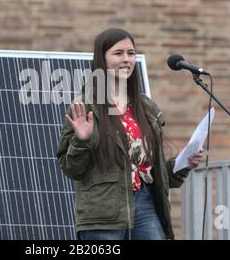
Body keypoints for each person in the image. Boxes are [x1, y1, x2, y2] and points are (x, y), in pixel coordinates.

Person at [57, 28, 204, 240]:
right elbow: (72, 169)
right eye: (118, 53)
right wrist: (82, 141)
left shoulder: (145, 107)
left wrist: (184, 164)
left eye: (131, 53)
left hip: (144, 204)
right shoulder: (85, 106)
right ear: (102, 60)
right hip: (103, 213)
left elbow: (154, 174)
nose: (126, 59)